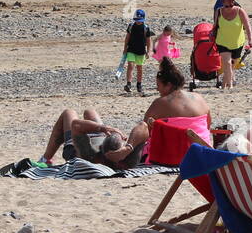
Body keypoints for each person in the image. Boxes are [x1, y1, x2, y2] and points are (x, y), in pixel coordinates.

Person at [41, 58, 209, 168]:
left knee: (69, 113)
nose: (157, 89)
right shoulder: (199, 98)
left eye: (159, 85)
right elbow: (207, 126)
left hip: (169, 157)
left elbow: (144, 129)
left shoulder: (161, 104)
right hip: (197, 154)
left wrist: (125, 144)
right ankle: (47, 158)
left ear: (168, 85)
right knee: (89, 112)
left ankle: (46, 159)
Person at [213, 0, 252, 92]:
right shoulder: (219, 11)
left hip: (237, 43)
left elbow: (247, 26)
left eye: (231, 5)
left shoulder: (240, 11)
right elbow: (215, 25)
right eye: (227, 6)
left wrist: (250, 39)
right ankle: (230, 85)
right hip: (222, 41)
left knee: (232, 65)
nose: (229, 7)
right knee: (227, 63)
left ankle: (224, 82)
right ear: (223, 3)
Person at [123, 9, 153, 94]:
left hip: (141, 51)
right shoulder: (131, 26)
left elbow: (148, 40)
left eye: (140, 21)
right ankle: (128, 84)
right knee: (130, 65)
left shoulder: (146, 28)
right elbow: (127, 38)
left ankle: (139, 85)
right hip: (131, 49)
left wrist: (148, 51)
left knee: (139, 68)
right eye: (137, 20)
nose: (138, 22)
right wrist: (125, 48)